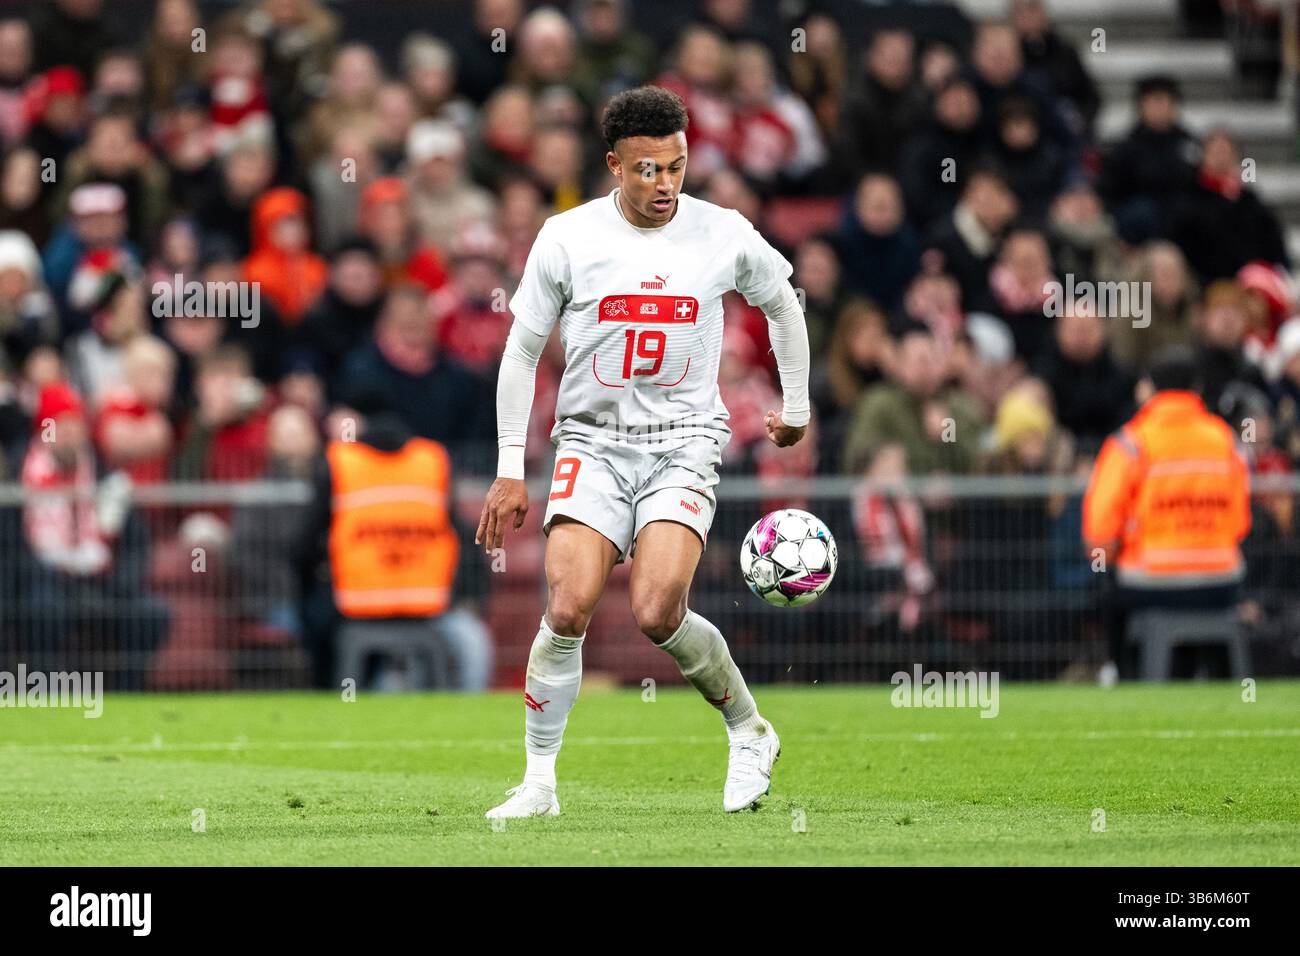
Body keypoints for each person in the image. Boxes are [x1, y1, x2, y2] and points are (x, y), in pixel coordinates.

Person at [475, 86, 810, 818]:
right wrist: (508, 470)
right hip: (592, 441)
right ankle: (539, 785)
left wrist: (797, 404)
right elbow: (521, 352)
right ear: (614, 166)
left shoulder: (722, 231)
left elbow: (784, 303)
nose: (665, 184)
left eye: (677, 166)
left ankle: (749, 730)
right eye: (648, 169)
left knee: (658, 610)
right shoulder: (567, 237)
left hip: (682, 441)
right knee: (568, 606)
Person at [1083, 346, 1252, 679]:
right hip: (1220, 581)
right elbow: (1240, 521)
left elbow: (1100, 528)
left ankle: (1123, 672)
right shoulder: (1226, 440)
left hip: (1150, 581)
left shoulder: (1130, 443)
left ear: (1148, 388)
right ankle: (1210, 674)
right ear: (1196, 388)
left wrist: (1109, 554)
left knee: (1104, 588)